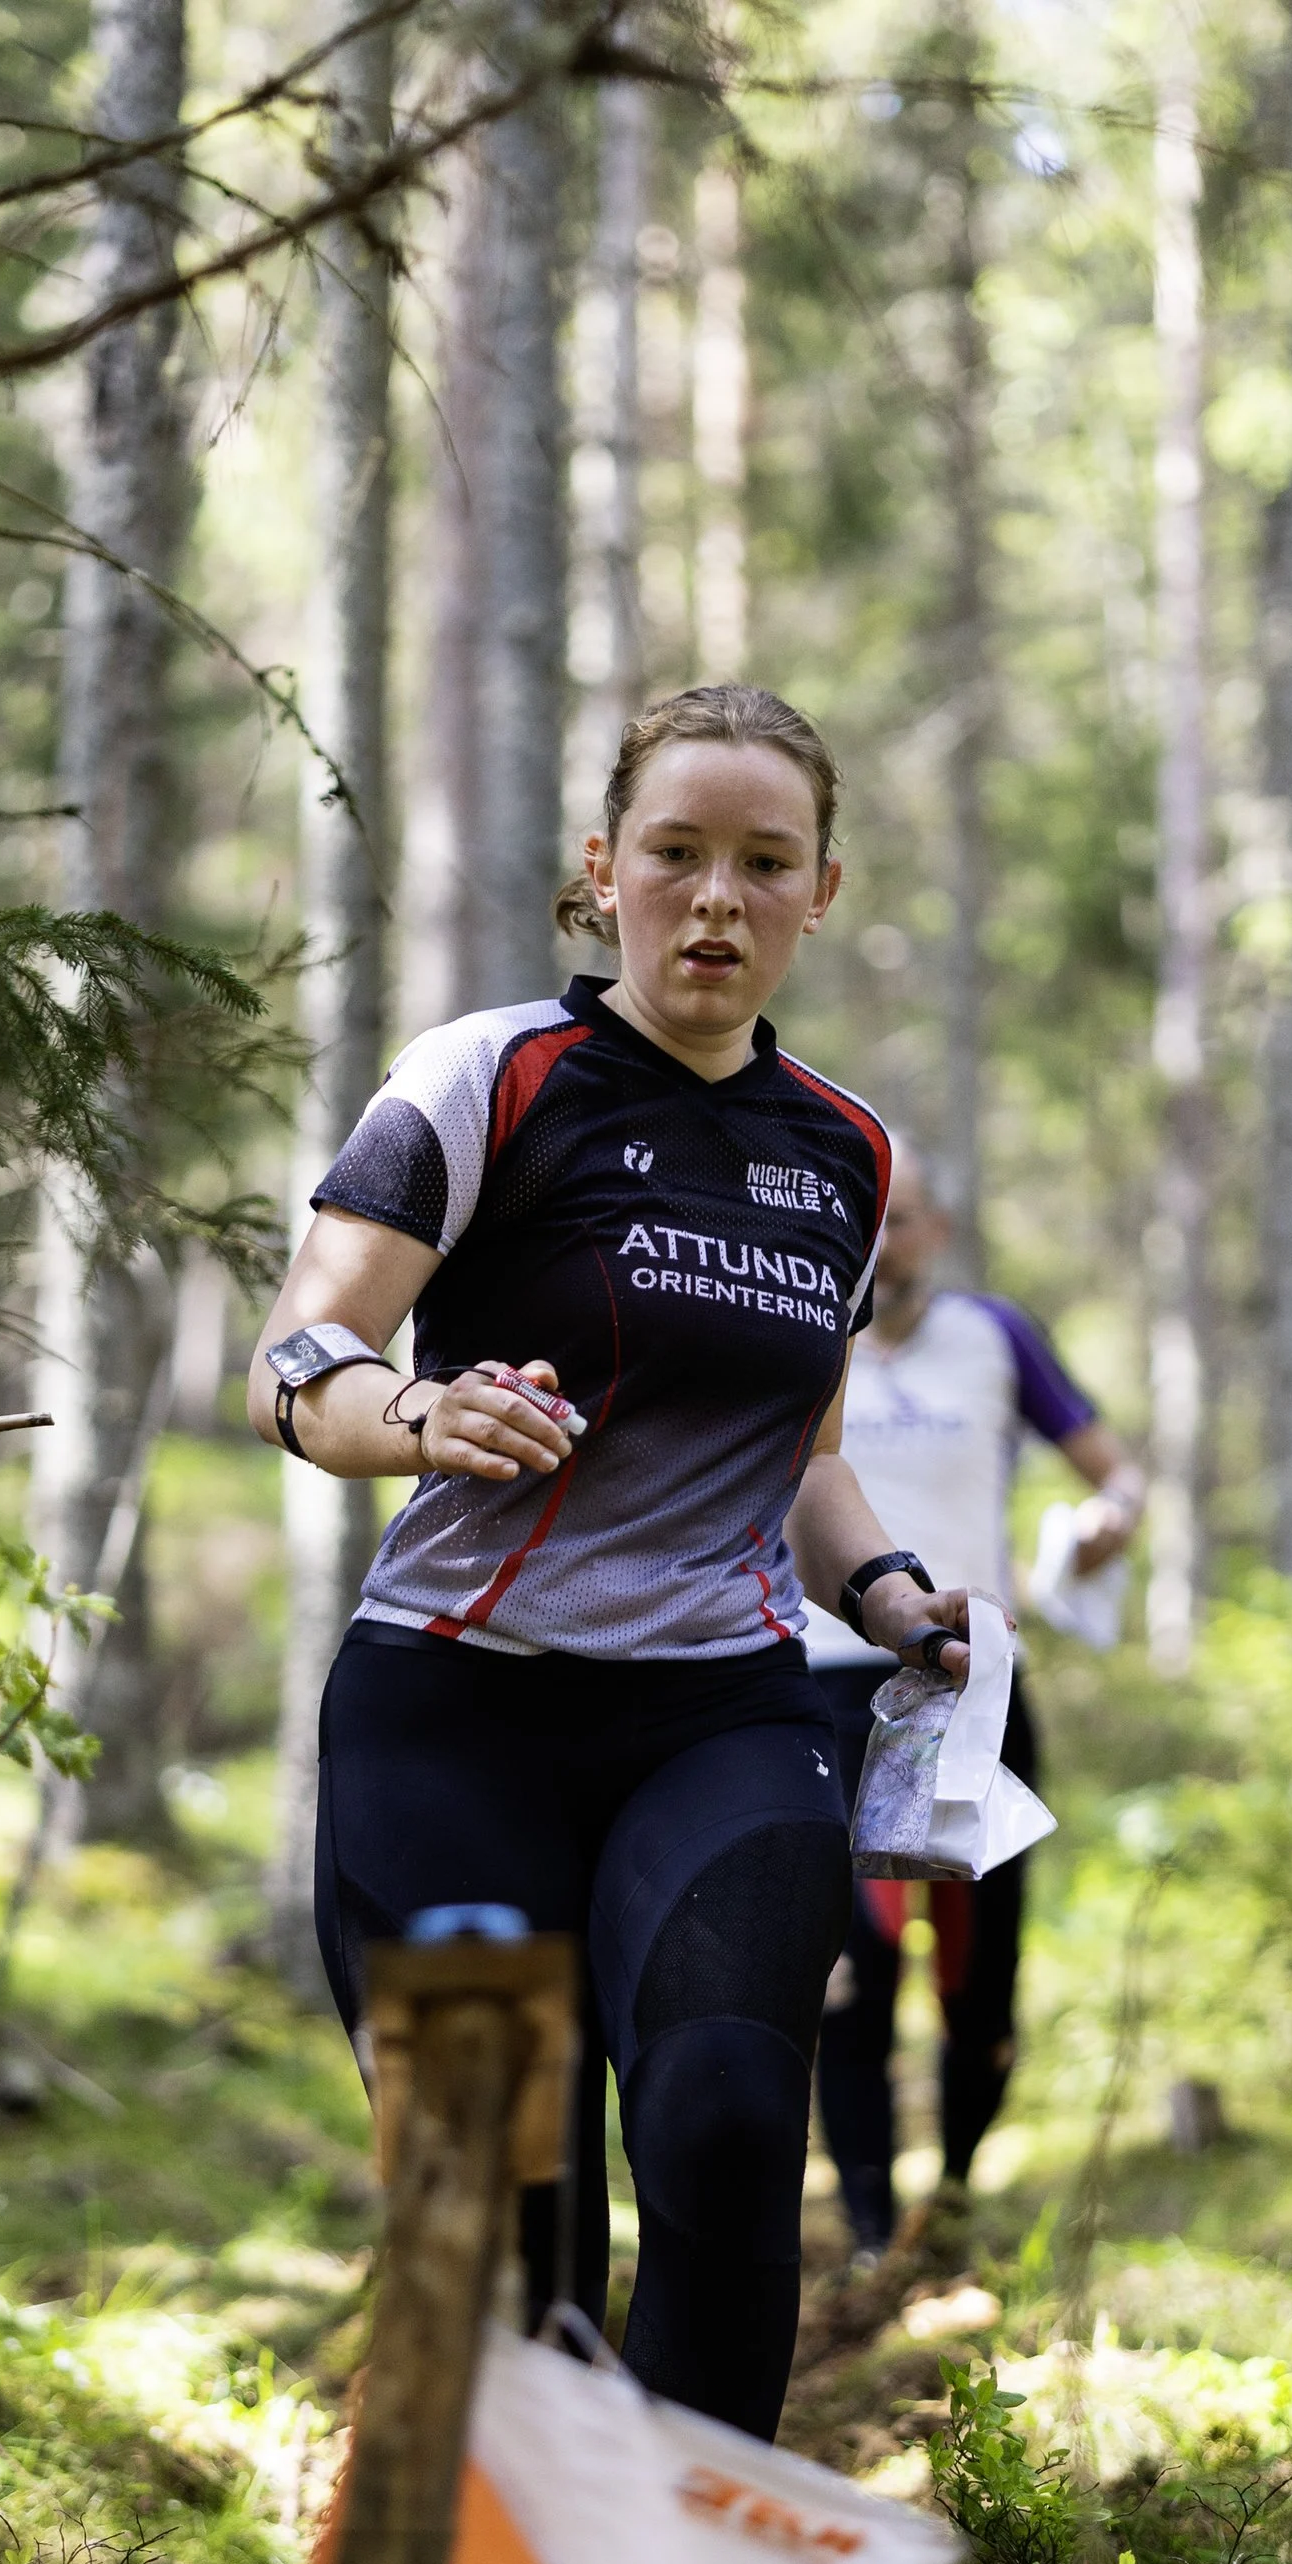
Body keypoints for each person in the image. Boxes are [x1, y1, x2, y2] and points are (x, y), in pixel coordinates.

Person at [248, 682, 972, 2443]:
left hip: (720, 1716)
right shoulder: (490, 1080)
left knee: (727, 2131)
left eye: (762, 863)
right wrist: (418, 1418)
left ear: (822, 892)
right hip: (456, 1721)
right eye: (677, 855)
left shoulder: (849, 1155)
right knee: (512, 2219)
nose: (715, 898)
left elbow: (801, 1458)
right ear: (605, 871)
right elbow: (293, 1360)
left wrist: (885, 1594)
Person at [806, 1146, 1144, 2253]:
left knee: (974, 1969)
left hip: (969, 1680)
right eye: (868, 1220)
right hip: (821, 1680)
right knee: (845, 1967)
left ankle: (946, 2200)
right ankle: (863, 2224)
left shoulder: (994, 1336)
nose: (883, 1240)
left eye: (902, 1219)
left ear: (937, 1230)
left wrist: (1105, 1523)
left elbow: (1117, 1471)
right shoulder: (805, 1329)